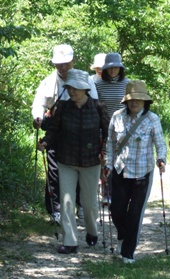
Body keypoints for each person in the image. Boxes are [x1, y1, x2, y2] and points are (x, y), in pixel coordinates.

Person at [37, 69, 110, 254]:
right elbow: (54, 130)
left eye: (75, 88)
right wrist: (45, 142)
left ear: (85, 89)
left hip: (91, 162)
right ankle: (70, 241)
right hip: (66, 160)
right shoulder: (62, 107)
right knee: (67, 201)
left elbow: (108, 133)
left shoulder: (98, 106)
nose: (71, 92)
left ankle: (92, 231)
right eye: (69, 88)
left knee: (90, 203)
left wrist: (104, 152)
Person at [31, 44, 98, 222]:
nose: (62, 67)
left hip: (82, 134)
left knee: (82, 170)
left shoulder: (86, 79)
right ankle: (56, 209)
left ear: (73, 61)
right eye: (58, 64)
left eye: (66, 63)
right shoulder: (47, 82)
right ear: (53, 64)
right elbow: (39, 103)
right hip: (56, 133)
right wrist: (38, 117)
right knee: (54, 172)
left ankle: (81, 206)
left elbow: (95, 103)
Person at [105, 80, 167, 264]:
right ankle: (122, 236)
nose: (134, 103)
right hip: (120, 170)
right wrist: (108, 163)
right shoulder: (117, 117)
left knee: (134, 214)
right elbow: (110, 142)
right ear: (126, 101)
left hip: (142, 172)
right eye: (131, 99)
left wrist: (161, 159)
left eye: (138, 100)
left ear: (145, 102)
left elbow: (160, 143)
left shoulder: (152, 119)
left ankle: (128, 253)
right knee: (116, 211)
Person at [95, 52, 130, 204]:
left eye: (115, 67)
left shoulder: (128, 84)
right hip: (104, 126)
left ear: (120, 68)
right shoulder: (98, 84)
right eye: (109, 68)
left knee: (122, 160)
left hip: (122, 127)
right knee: (106, 159)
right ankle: (106, 193)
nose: (113, 70)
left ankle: (121, 192)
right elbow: (96, 106)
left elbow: (130, 106)